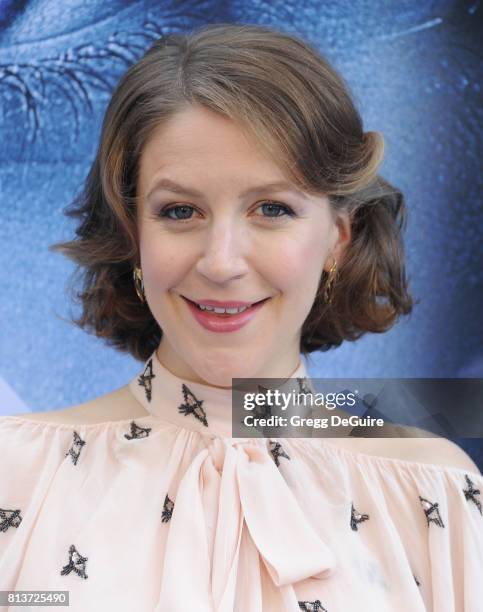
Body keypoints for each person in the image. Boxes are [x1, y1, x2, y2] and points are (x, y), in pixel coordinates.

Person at [1, 23, 481, 612]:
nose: (222, 262)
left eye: (272, 209)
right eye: (180, 211)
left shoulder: (432, 492)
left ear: (337, 238)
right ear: (131, 236)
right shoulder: (16, 474)